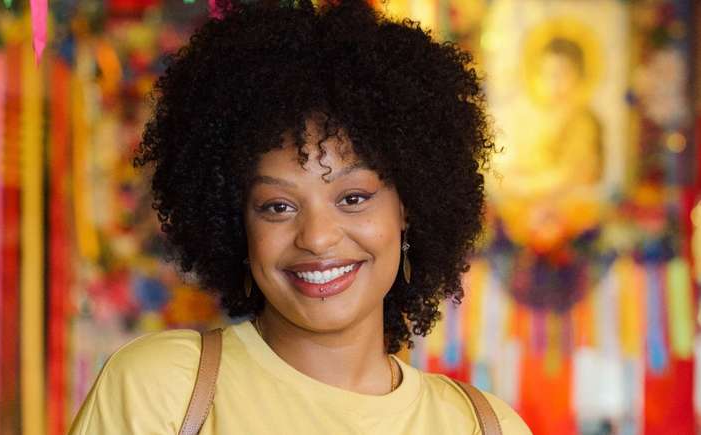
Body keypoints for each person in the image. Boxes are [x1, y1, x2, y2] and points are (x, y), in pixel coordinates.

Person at [69, 0, 531, 433]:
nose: (317, 237)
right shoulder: (163, 390)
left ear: (408, 208)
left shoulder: (486, 425)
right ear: (237, 223)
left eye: (353, 198)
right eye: (278, 206)